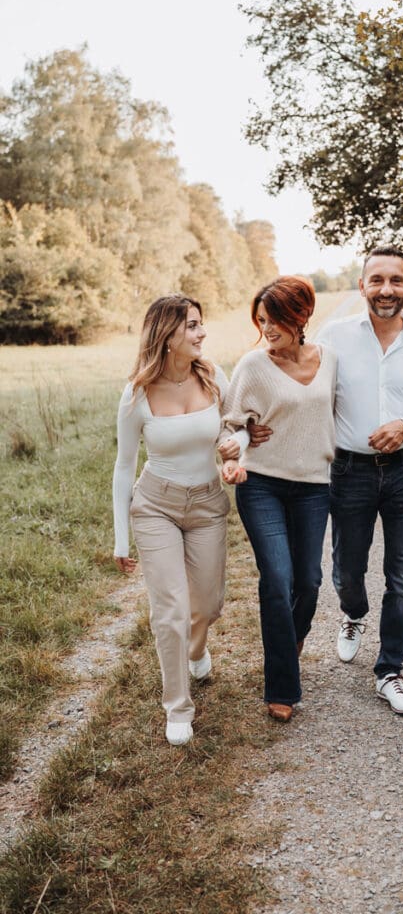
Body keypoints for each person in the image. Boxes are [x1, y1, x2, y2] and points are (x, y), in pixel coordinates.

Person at [315, 245, 403, 715]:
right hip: (350, 470)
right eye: (376, 280)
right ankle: (354, 614)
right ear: (362, 286)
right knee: (346, 571)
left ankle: (390, 671)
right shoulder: (333, 337)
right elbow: (308, 394)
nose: (386, 290)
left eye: (396, 281)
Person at [112, 294, 239, 746]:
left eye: (200, 324)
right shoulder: (137, 394)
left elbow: (234, 428)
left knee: (207, 603)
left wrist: (232, 446)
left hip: (206, 504)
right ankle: (177, 706)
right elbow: (125, 466)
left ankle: (197, 650)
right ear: (166, 335)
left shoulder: (214, 376)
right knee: (170, 609)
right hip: (155, 506)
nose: (201, 333)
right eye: (192, 325)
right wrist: (121, 538)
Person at [219, 276, 336, 724]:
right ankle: (282, 686)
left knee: (308, 582)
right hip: (262, 483)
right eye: (262, 320)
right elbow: (231, 426)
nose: (268, 329)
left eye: (277, 320)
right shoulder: (253, 365)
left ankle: (291, 638)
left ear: (302, 317)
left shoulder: (330, 360)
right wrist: (240, 439)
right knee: (277, 578)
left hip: (313, 486)